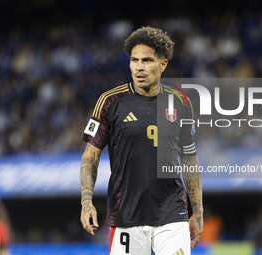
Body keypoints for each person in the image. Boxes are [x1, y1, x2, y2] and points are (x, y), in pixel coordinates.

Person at [80, 26, 203, 254]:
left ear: (163, 64)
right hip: (126, 214)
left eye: (147, 60)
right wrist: (86, 202)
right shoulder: (110, 101)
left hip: (172, 213)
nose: (139, 67)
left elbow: (189, 158)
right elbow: (90, 156)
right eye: (134, 60)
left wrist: (197, 211)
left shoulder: (180, 101)